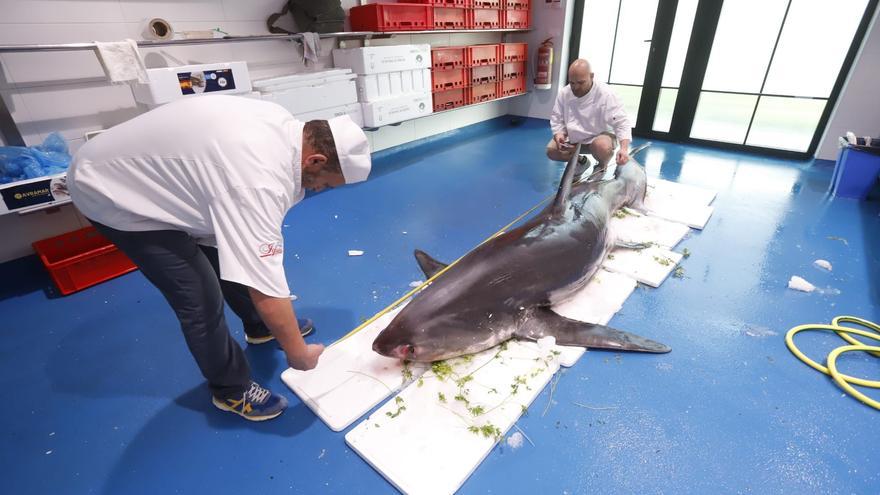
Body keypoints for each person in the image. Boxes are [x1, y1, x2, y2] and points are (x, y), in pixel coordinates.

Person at [67, 95, 371, 421]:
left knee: (229, 253)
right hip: (113, 191)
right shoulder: (258, 180)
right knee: (199, 295)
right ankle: (230, 390)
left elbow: (244, 252)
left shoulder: (284, 125)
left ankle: (259, 327)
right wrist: (298, 354)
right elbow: (265, 285)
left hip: (169, 180)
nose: (320, 189)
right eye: (325, 183)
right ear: (315, 160)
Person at [547, 58, 632, 180]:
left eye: (581, 83)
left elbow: (622, 123)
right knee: (551, 150)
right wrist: (559, 133)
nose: (576, 87)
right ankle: (581, 162)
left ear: (591, 76)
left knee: (601, 145)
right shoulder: (565, 93)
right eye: (572, 83)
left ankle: (602, 166)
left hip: (599, 138)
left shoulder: (606, 94)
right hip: (575, 139)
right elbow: (557, 117)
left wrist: (624, 149)